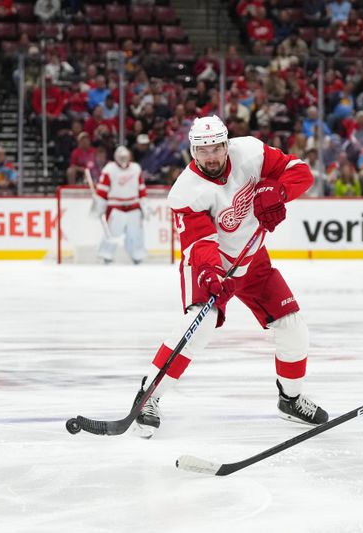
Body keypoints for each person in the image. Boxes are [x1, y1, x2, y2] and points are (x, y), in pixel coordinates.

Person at [132, 115, 329, 438]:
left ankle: (290, 400)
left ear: (227, 144)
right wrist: (210, 272)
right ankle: (148, 397)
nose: (211, 156)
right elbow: (199, 241)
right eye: (202, 150)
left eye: (216, 148)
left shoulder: (251, 152)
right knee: (200, 325)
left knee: (293, 327)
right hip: (209, 264)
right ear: (192, 152)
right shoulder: (186, 191)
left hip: (252, 261)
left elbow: (300, 173)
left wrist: (278, 192)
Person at [94, 146, 147, 264]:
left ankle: (137, 255)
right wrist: (100, 206)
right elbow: (102, 190)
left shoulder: (135, 168)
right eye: (121, 157)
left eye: (125, 157)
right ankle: (106, 255)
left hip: (133, 206)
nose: (123, 159)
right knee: (112, 232)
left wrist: (144, 204)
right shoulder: (109, 169)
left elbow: (141, 188)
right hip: (115, 207)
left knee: (136, 234)